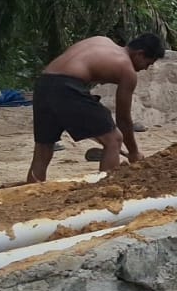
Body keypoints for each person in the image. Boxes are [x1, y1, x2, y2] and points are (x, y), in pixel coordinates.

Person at [27, 34, 164, 182]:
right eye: (148, 63)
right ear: (140, 54)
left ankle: (30, 192)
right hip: (67, 87)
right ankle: (107, 191)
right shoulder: (127, 70)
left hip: (44, 83)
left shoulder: (102, 41)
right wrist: (134, 152)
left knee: (43, 147)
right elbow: (123, 119)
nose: (144, 69)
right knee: (114, 139)